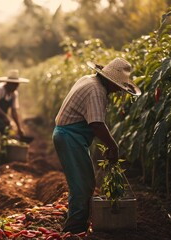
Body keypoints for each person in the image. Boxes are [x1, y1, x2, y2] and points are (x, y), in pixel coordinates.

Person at [52, 58, 141, 234]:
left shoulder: (88, 79)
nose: (117, 90)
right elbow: (97, 124)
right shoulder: (96, 90)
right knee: (82, 185)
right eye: (118, 86)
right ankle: (74, 229)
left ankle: (78, 225)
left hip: (70, 135)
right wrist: (113, 146)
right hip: (70, 136)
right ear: (109, 80)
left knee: (84, 182)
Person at [0, 69, 29, 145]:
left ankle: (2, 153)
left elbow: (13, 111)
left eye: (17, 84)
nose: (16, 87)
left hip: (1, 117)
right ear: (8, 83)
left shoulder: (14, 94)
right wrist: (5, 116)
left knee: (6, 137)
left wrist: (19, 127)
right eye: (14, 84)